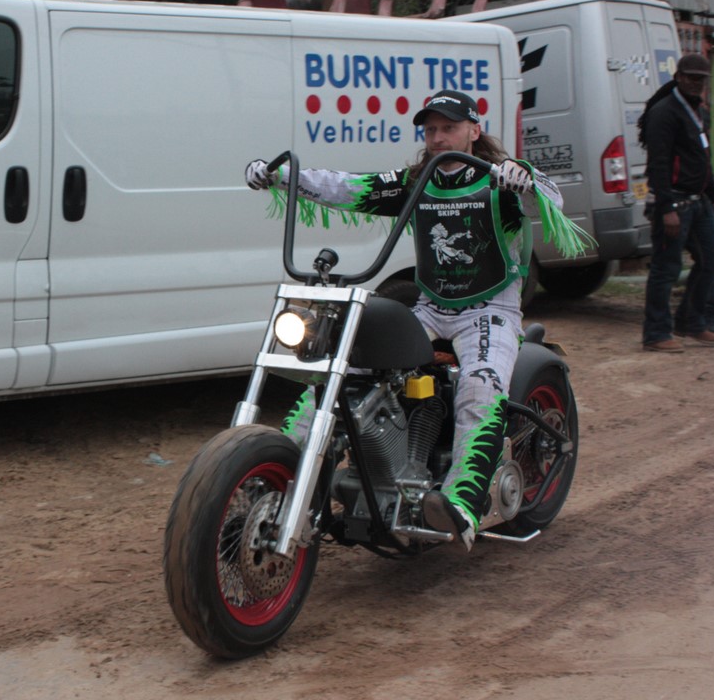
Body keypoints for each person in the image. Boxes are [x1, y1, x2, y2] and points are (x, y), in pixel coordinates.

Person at [245, 90, 591, 551]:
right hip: (430, 308)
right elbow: (347, 187)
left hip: (490, 312)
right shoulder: (415, 181)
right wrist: (281, 176)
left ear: (474, 130)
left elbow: (549, 201)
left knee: (479, 388)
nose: (438, 137)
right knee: (347, 373)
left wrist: (523, 178)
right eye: (430, 130)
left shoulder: (500, 181)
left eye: (449, 128)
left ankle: (461, 501)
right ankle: (278, 472)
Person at [640, 53, 714, 352]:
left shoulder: (700, 111)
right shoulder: (664, 113)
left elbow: (702, 158)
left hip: (699, 201)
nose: (695, 83)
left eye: (700, 79)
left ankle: (692, 321)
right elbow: (658, 163)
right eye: (690, 77)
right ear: (678, 77)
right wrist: (666, 208)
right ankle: (656, 333)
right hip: (673, 202)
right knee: (666, 268)